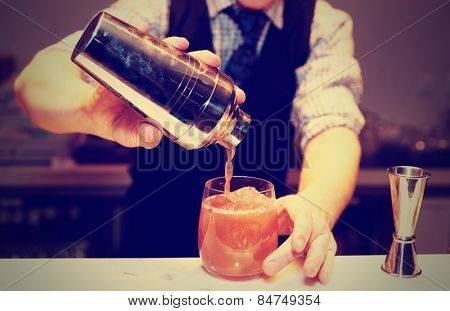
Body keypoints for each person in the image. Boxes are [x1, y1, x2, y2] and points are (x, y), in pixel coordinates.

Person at [14, 0, 364, 284]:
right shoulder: (159, 7)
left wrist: (315, 204)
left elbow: (332, 124)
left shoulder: (322, 23)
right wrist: (90, 111)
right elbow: (35, 81)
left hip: (256, 270)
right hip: (150, 259)